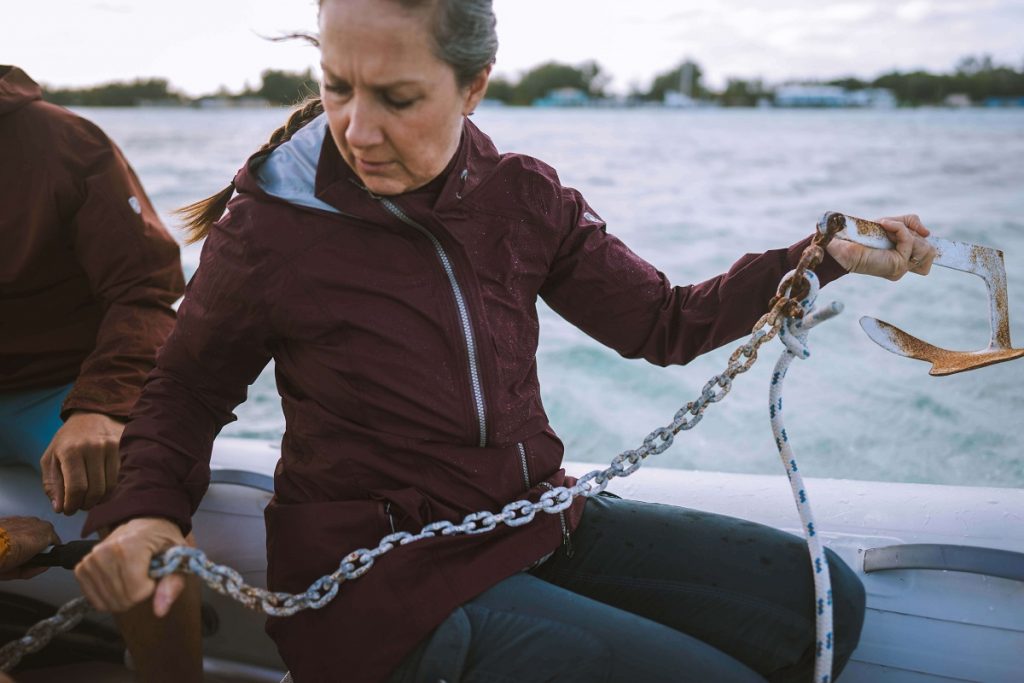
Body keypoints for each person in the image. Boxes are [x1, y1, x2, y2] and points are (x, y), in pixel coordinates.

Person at [74, 2, 938, 681]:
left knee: (829, 604)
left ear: (474, 84)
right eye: (338, 86)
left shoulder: (521, 197)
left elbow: (663, 323)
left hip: (530, 523)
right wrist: (144, 513)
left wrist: (819, 260)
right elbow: (184, 390)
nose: (357, 128)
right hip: (378, 586)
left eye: (397, 97)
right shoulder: (273, 223)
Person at [0, 66, 202, 682]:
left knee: (144, 498)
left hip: (66, 388)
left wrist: (103, 407)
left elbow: (146, 292)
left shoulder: (66, 143)